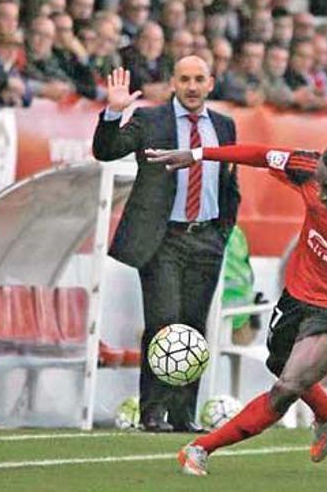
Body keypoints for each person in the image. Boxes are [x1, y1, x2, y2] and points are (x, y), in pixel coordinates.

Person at [145, 142, 327, 477]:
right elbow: (260, 155)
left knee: (287, 387)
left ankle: (202, 448)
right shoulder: (306, 169)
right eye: (319, 185)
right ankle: (326, 408)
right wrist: (198, 155)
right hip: (296, 298)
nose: (320, 195)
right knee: (280, 365)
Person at [91, 58, 240, 433]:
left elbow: (228, 182)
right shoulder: (151, 120)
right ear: (173, 82)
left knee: (193, 329)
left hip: (206, 237)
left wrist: (223, 232)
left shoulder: (224, 126)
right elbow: (106, 150)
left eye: (198, 79)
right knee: (163, 323)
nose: (191, 86)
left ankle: (183, 414)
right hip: (164, 239)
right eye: (184, 79)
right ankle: (153, 412)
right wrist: (113, 112)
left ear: (211, 83)